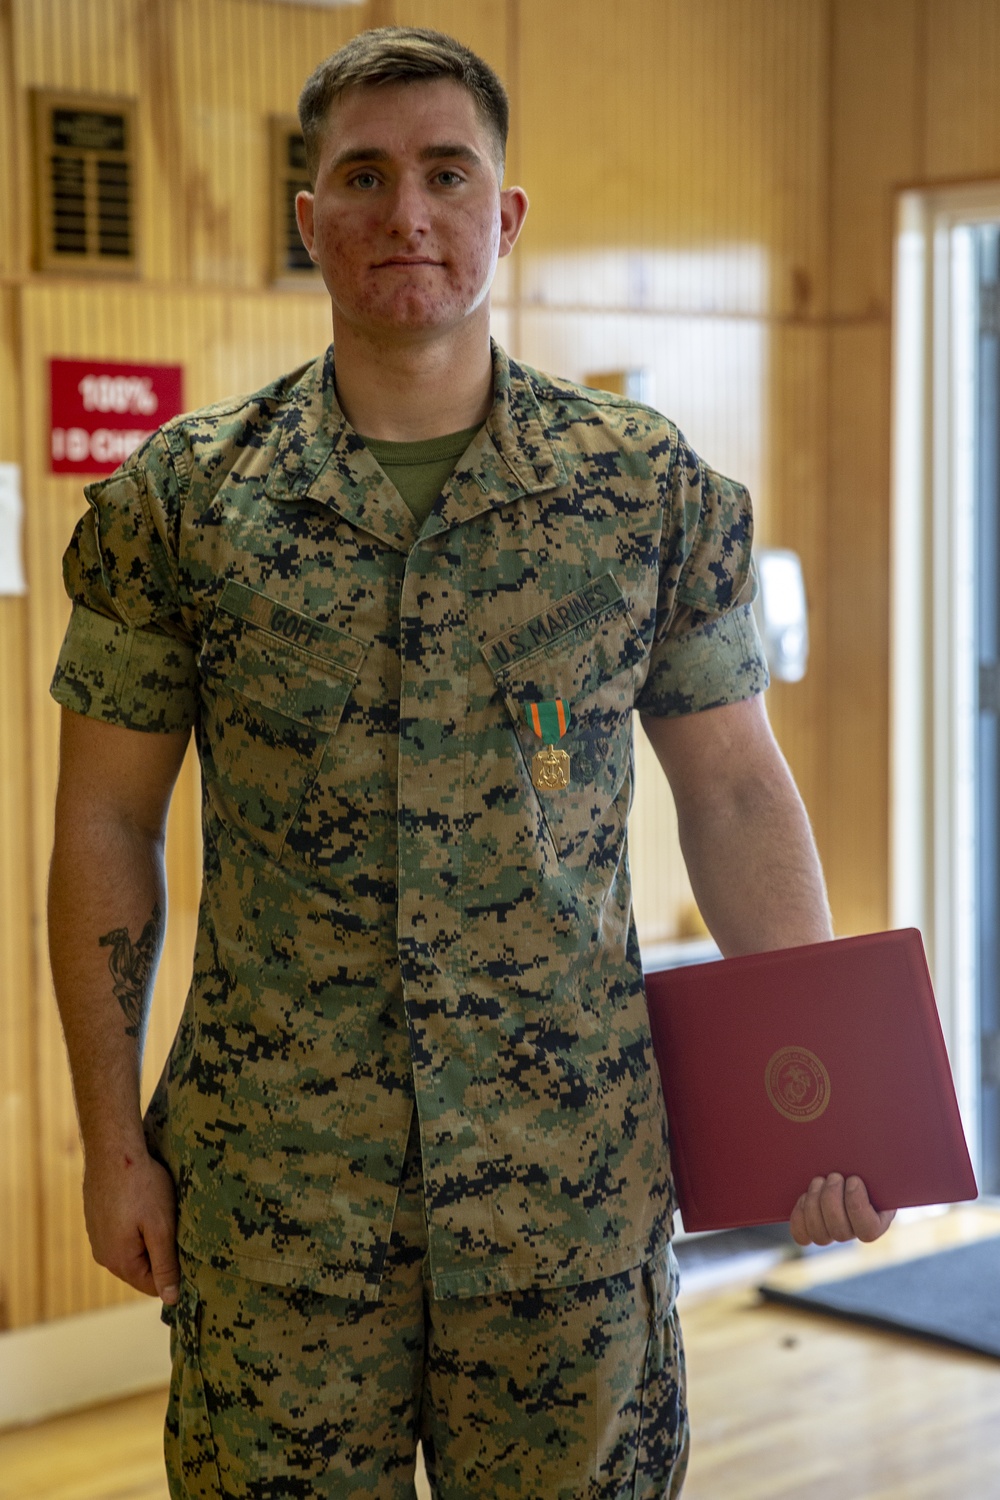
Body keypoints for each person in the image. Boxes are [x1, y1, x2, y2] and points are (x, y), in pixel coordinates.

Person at [47, 25, 894, 1500]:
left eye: (449, 173)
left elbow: (739, 792)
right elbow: (107, 824)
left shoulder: (646, 494)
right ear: (308, 219)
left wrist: (806, 1098)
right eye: (363, 178)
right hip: (280, 1205)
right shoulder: (179, 506)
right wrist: (113, 1140)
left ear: (504, 216)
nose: (408, 214)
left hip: (570, 1196)